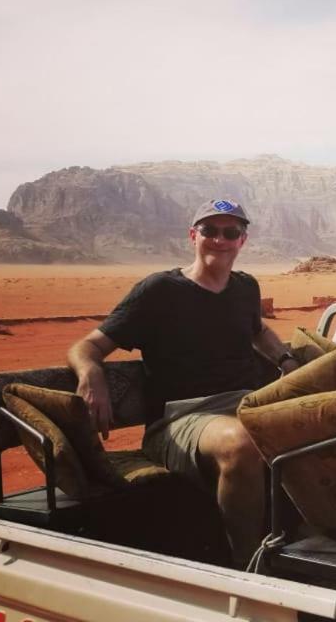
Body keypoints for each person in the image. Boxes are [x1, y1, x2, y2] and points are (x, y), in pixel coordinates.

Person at [67, 199, 299, 566]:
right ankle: (247, 569)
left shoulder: (245, 288)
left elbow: (258, 330)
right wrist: (91, 372)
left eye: (230, 232)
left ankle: (319, 544)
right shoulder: (159, 291)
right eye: (209, 230)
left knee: (329, 424)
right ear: (193, 236)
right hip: (179, 421)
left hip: (244, 405)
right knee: (240, 443)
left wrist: (286, 360)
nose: (219, 240)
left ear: (243, 241)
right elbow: (89, 345)